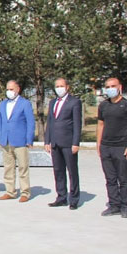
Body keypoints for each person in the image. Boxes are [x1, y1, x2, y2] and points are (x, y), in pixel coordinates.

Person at [97, 77, 127, 218]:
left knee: (123, 178)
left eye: (113, 86)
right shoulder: (103, 106)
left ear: (120, 87)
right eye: (107, 87)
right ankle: (114, 204)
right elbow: (100, 125)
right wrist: (99, 144)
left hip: (121, 147)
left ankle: (125, 205)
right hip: (106, 146)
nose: (110, 89)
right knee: (110, 178)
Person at [44, 78, 83, 209]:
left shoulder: (74, 102)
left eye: (61, 86)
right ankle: (61, 197)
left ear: (67, 87)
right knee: (58, 171)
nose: (59, 88)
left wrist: (76, 142)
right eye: (57, 86)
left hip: (68, 142)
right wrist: (47, 140)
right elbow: (50, 122)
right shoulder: (52, 102)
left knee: (72, 171)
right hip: (55, 142)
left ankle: (74, 199)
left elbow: (77, 124)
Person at [0, 80, 35, 202]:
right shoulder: (3, 104)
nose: (9, 92)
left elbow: (30, 122)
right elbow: (1, 122)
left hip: (20, 141)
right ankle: (10, 191)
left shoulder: (25, 103)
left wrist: (29, 139)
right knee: (8, 167)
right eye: (7, 89)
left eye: (11, 89)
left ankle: (25, 192)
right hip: (6, 141)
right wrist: (1, 137)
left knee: (23, 167)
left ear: (18, 89)